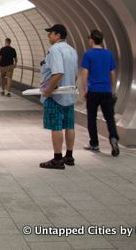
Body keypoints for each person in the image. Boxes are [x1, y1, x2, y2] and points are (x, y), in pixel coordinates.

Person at [39, 24, 78, 170]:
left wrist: (48, 90)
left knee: (56, 126)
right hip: (69, 93)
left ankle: (57, 158)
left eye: (50, 33)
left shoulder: (55, 50)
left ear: (58, 35)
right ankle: (69, 155)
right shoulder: (72, 50)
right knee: (69, 125)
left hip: (56, 95)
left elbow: (58, 72)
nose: (48, 36)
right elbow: (74, 74)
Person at [80, 29, 119, 156]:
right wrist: (111, 89)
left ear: (91, 39)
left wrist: (84, 90)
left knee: (92, 118)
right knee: (109, 118)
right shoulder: (109, 54)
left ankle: (94, 144)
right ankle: (113, 138)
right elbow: (112, 73)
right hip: (106, 91)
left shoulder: (88, 54)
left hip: (93, 91)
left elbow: (85, 73)